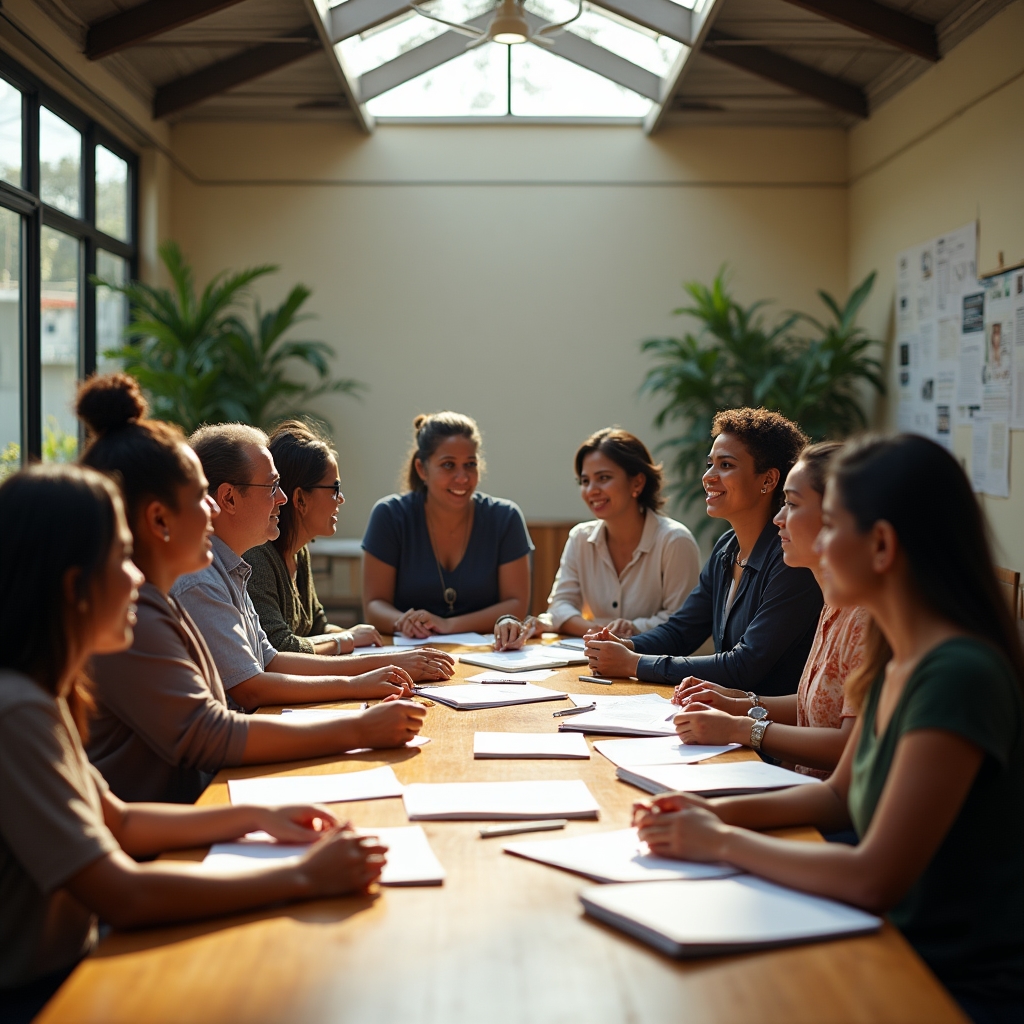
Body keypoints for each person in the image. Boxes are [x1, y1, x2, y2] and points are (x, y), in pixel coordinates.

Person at [633, 435, 1024, 1024]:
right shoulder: (898, 650)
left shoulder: (956, 673)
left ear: (883, 545)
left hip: (942, 982)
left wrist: (717, 841)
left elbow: (873, 879)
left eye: (829, 521)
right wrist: (709, 811)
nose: (795, 529)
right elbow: (840, 795)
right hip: (881, 942)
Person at [0, 465, 391, 1024]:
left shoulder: (44, 695)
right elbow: (123, 894)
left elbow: (122, 822)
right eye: (119, 560)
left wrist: (260, 816)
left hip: (72, 966)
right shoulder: (17, 711)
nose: (135, 579)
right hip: (40, 996)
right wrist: (302, 877)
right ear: (72, 586)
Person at [77, 376, 427, 804]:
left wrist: (371, 678)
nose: (210, 509)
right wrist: (357, 724)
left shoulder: (207, 577)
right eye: (200, 496)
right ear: (159, 519)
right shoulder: (151, 606)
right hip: (192, 800)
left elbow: (264, 663)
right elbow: (223, 720)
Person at [170, 421, 454, 713]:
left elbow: (272, 660)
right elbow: (252, 689)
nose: (282, 498)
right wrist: (357, 685)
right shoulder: (201, 580)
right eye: (272, 486)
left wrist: (386, 664)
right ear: (229, 497)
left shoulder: (232, 568)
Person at [585, 408, 822, 696]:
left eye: (726, 465)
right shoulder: (727, 547)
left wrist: (635, 664)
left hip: (768, 730)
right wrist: (628, 646)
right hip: (723, 718)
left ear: (768, 481)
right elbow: (681, 631)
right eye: (710, 464)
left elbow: (744, 666)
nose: (708, 476)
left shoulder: (790, 558)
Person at [671, 442, 869, 776]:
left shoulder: (866, 619)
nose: (779, 518)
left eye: (791, 504)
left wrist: (741, 727)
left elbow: (848, 756)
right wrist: (739, 704)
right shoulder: (834, 604)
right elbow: (817, 704)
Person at [493, 428, 699, 651]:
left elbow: (682, 624)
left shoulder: (675, 541)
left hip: (656, 666)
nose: (591, 490)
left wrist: (633, 627)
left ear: (637, 483)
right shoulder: (580, 537)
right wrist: (598, 632)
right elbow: (560, 607)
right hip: (596, 661)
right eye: (585, 481)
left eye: (603, 478)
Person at [362, 412, 533, 638]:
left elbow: (516, 605)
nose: (462, 477)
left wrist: (447, 624)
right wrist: (404, 622)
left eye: (470, 464)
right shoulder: (390, 515)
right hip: (410, 654)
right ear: (422, 469)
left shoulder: (506, 517)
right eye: (448, 465)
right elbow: (374, 606)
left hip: (490, 656)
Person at [245, 420, 381, 656]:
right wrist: (346, 639)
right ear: (300, 500)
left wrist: (363, 637)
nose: (341, 500)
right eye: (334, 489)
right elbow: (278, 648)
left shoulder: (300, 552)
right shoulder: (257, 557)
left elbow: (317, 628)